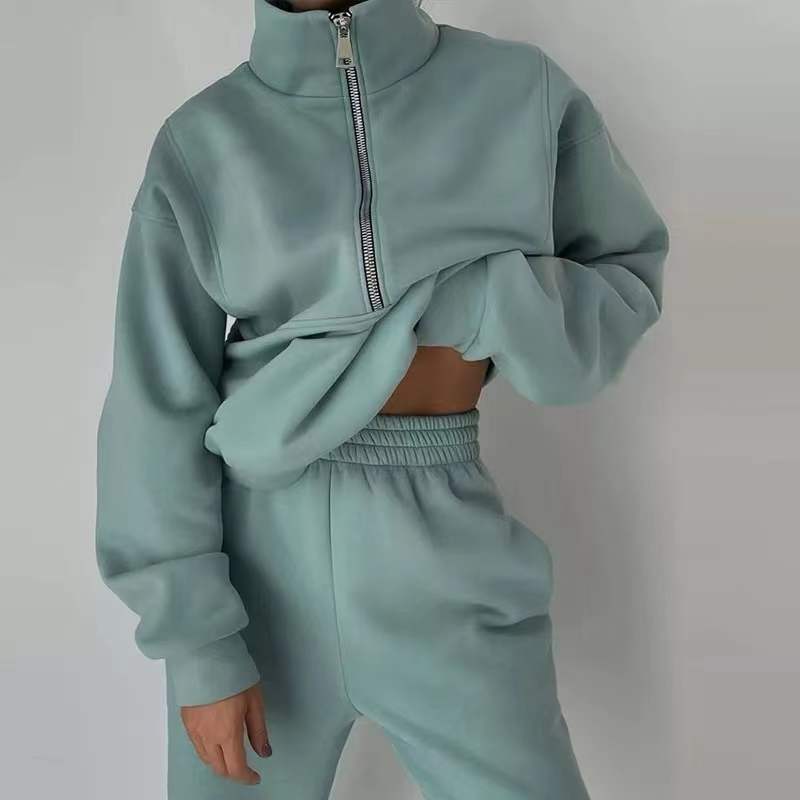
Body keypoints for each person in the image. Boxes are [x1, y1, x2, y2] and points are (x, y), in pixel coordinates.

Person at [94, 1, 670, 798]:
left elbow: (625, 283)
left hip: (446, 539)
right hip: (258, 563)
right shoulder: (204, 139)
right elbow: (155, 400)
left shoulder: (521, 94)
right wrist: (197, 645)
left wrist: (478, 298)